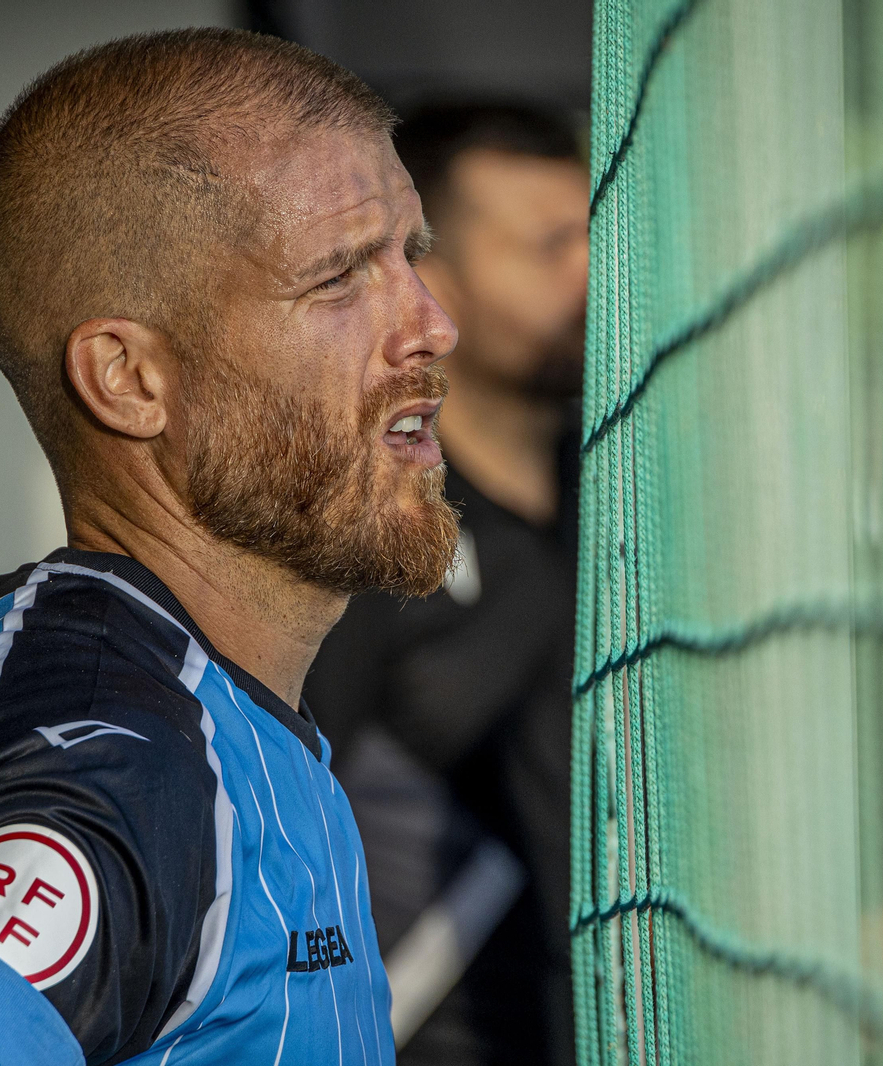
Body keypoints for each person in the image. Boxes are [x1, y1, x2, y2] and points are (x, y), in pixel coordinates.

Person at [0, 28, 460, 1066]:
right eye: (338, 278)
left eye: (409, 255)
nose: (432, 325)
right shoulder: (114, 745)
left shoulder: (193, 699)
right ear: (129, 379)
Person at [303, 103, 588, 1066]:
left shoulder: (638, 504)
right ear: (434, 285)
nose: (593, 269)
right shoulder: (360, 539)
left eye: (595, 232)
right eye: (550, 245)